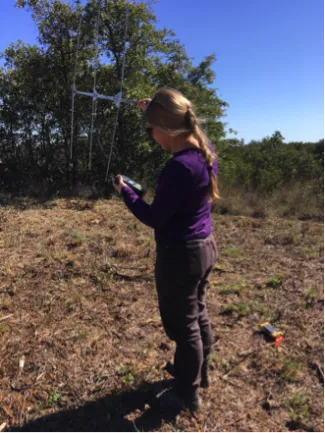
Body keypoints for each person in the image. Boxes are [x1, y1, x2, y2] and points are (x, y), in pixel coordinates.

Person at [113, 88, 219, 411]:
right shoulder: (204, 150)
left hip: (180, 255)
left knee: (183, 326)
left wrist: (126, 193)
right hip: (204, 248)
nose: (151, 136)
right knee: (197, 313)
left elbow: (155, 216)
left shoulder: (178, 168)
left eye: (151, 129)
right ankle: (199, 372)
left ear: (168, 128)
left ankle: (187, 394)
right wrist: (151, 110)